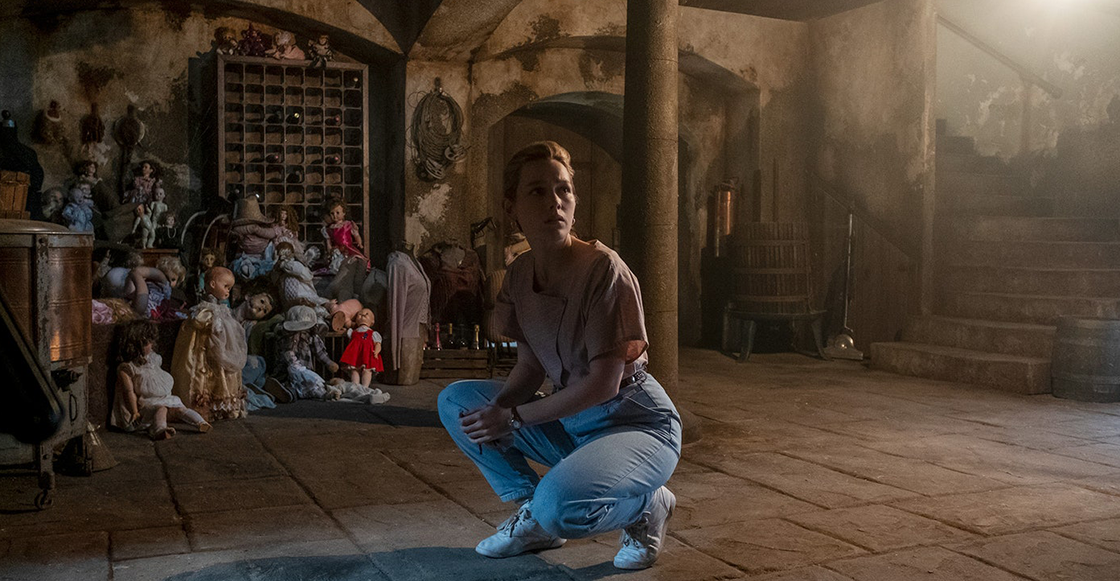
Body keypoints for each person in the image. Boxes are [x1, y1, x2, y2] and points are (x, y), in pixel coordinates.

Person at [436, 141, 681, 570]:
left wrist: (513, 418)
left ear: (574, 200)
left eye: (563, 189)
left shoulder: (604, 270)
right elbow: (530, 367)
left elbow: (604, 384)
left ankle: (647, 506)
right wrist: (498, 410)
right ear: (511, 207)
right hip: (575, 423)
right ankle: (535, 515)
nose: (554, 202)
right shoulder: (519, 274)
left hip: (636, 423)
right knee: (458, 402)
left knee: (563, 508)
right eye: (537, 191)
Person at [112, 320, 211, 439]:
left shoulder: (154, 359)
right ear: (136, 344)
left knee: (180, 408)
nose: (151, 345)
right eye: (147, 342)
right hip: (147, 404)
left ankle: (201, 423)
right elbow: (129, 392)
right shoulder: (128, 368)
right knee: (161, 408)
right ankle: (159, 429)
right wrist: (135, 412)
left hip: (164, 398)